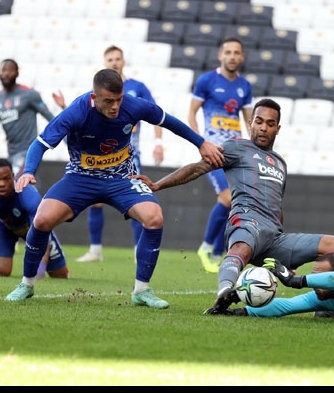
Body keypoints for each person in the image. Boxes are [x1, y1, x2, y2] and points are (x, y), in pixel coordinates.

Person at [4, 68, 224, 308]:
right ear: (94, 97)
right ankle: (27, 284)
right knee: (42, 220)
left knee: (154, 218)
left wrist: (201, 143)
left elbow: (169, 121)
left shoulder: (133, 105)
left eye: (118, 99)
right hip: (81, 178)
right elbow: (40, 144)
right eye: (108, 101)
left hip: (122, 177)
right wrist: (28, 171)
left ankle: (142, 290)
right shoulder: (77, 112)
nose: (115, 106)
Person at [133, 98, 334, 314]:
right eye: (259, 121)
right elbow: (197, 169)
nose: (263, 127)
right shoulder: (236, 148)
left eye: (270, 124)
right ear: (250, 123)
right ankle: (224, 293)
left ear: (278, 129)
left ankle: (329, 305)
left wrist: (287, 255)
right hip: (246, 223)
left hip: (274, 238)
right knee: (241, 249)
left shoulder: (281, 163)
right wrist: (158, 185)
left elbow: (277, 206)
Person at [76, 45, 165, 263]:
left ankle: (138, 250)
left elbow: (155, 114)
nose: (114, 62)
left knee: (137, 199)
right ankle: (95, 250)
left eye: (118, 58)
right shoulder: (98, 93)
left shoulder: (137, 87)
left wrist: (159, 142)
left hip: (129, 154)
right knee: (95, 201)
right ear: (105, 64)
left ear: (123, 61)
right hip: (102, 154)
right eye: (110, 60)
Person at [188, 36, 253, 273]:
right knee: (226, 198)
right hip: (214, 150)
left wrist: (254, 146)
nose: (232, 56)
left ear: (242, 57)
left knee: (235, 202)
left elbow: (249, 120)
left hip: (236, 151)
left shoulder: (244, 85)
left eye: (237, 53)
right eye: (228, 52)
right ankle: (205, 248)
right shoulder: (206, 81)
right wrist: (199, 142)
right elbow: (192, 114)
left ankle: (218, 252)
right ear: (220, 55)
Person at [0, 158, 69, 279]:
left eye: (6, 178)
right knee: (3, 271)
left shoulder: (27, 194)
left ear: (13, 176)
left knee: (60, 275)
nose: (1, 184)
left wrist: (40, 269)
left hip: (33, 230)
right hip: (7, 229)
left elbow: (41, 231)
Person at [0, 59, 65, 179]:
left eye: (10, 70)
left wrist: (66, 137)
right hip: (11, 152)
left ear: (17, 73)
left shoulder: (29, 94)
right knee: (14, 188)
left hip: (28, 150)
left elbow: (49, 117)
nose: (6, 73)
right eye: (3, 70)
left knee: (16, 182)